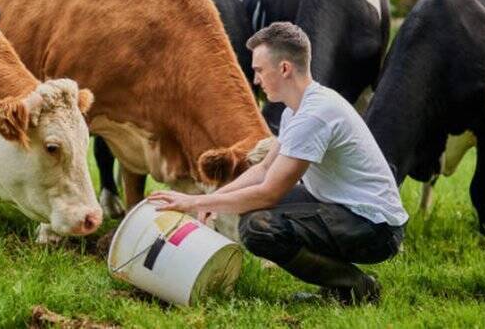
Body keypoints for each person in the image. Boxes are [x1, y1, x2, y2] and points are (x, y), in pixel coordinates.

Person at [148, 22, 408, 304]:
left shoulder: (315, 115)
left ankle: (356, 287)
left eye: (259, 70)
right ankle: (340, 286)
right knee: (255, 214)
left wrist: (194, 203)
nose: (256, 80)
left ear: (284, 68)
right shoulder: (296, 112)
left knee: (258, 227)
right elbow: (262, 170)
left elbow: (269, 192)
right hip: (348, 209)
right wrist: (214, 198)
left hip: (375, 229)